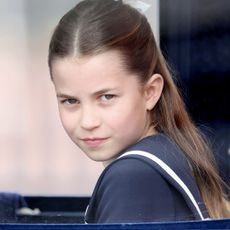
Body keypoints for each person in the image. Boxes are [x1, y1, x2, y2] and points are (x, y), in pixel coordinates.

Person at [48, 0, 230, 223]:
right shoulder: (170, 151)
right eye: (70, 101)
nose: (88, 121)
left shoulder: (131, 177)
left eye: (107, 97)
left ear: (150, 92)